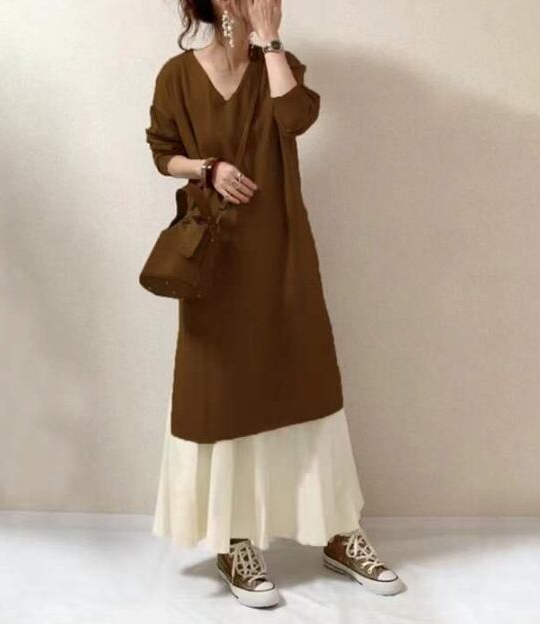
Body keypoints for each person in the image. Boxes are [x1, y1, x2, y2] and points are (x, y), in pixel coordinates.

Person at [145, 0, 405, 608]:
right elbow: (161, 151)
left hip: (282, 248)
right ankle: (232, 539)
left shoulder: (278, 64)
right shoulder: (177, 75)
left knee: (305, 379)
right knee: (223, 391)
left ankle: (337, 531)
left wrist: (268, 41)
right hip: (215, 258)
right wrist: (207, 168)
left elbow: (296, 117)